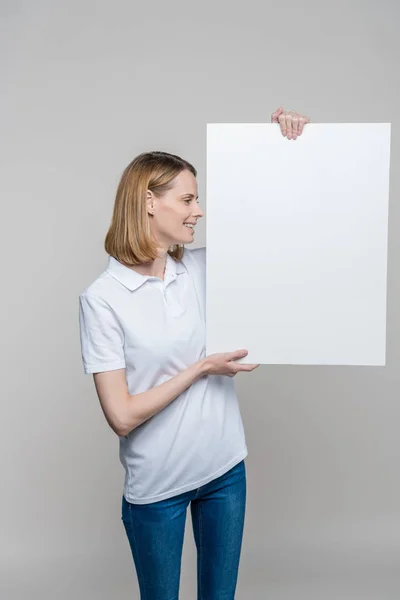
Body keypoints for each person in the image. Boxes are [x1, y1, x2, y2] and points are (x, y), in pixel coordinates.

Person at [78, 106, 311, 600]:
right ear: (147, 202)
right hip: (157, 487)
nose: (198, 211)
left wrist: (282, 147)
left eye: (198, 199)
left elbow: (281, 230)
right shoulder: (103, 298)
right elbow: (120, 415)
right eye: (187, 199)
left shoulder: (203, 269)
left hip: (225, 471)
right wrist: (202, 367)